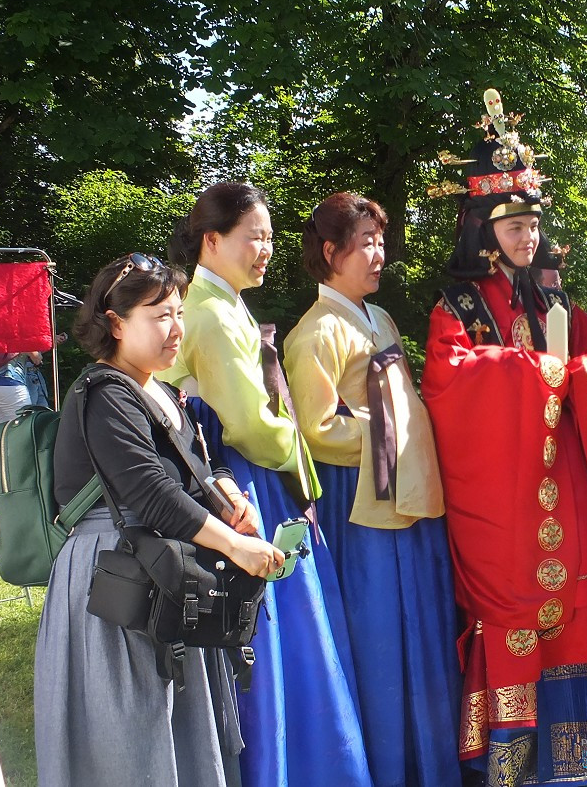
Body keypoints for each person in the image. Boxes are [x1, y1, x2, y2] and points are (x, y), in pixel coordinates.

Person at [422, 89, 587, 787]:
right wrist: (541, 374)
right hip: (512, 491)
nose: (526, 238)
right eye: (512, 227)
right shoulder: (460, 306)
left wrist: (580, 373)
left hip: (573, 478)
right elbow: (450, 380)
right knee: (522, 605)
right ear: (482, 230)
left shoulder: (553, 298)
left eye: (533, 226)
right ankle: (516, 753)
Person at [36, 255, 283, 787]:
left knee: (179, 725)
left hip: (164, 569)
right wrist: (235, 547)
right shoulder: (105, 393)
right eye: (159, 316)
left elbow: (200, 462)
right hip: (116, 579)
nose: (176, 329)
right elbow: (151, 493)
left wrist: (227, 492)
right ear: (115, 322)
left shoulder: (161, 390)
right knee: (130, 727)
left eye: (178, 312)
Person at [162, 183, 372, 787]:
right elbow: (251, 424)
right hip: (242, 482)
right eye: (254, 237)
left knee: (282, 629)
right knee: (281, 632)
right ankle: (298, 766)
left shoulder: (215, 302)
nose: (265, 250)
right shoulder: (209, 309)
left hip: (233, 477)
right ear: (212, 240)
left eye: (271, 238)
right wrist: (299, 457)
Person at [284, 192, 461, 787]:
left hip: (406, 493)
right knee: (380, 632)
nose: (379, 255)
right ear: (331, 252)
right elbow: (316, 430)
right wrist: (388, 432)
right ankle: (386, 766)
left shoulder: (377, 318)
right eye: (366, 244)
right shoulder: (315, 332)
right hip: (360, 506)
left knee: (423, 622)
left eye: (381, 242)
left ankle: (429, 760)